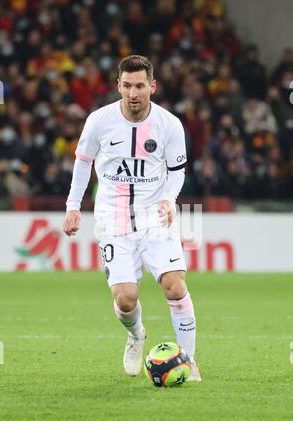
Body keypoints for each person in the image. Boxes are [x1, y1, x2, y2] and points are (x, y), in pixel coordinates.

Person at [63, 55, 201, 382]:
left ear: (152, 86)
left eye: (140, 85)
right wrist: (72, 205)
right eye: (127, 85)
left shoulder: (170, 124)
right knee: (126, 300)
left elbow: (176, 172)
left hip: (156, 219)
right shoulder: (99, 121)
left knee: (175, 286)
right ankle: (137, 334)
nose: (133, 93)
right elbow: (83, 163)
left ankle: (189, 361)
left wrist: (169, 200)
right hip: (114, 220)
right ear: (118, 86)